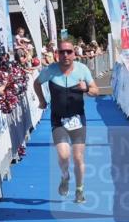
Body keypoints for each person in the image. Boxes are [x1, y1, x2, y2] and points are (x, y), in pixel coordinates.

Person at [34, 40, 99, 204]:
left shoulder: (82, 70)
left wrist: (86, 89)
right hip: (58, 119)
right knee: (64, 156)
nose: (65, 55)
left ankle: (79, 190)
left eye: (69, 52)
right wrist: (42, 101)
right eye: (62, 52)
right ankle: (65, 177)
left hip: (78, 119)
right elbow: (36, 83)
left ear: (74, 53)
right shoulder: (51, 70)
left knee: (78, 157)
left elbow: (95, 90)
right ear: (57, 54)